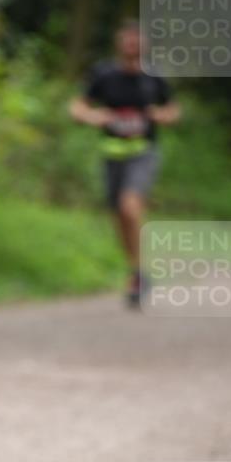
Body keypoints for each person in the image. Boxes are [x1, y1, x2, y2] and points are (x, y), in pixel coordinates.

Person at [70, 20, 179, 306]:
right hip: (112, 154)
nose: (132, 45)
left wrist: (161, 115)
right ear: (119, 43)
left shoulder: (154, 77)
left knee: (130, 207)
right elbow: (78, 106)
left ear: (144, 45)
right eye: (127, 40)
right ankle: (137, 270)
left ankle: (138, 273)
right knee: (119, 215)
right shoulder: (105, 74)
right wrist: (94, 117)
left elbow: (173, 110)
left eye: (137, 40)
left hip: (143, 153)